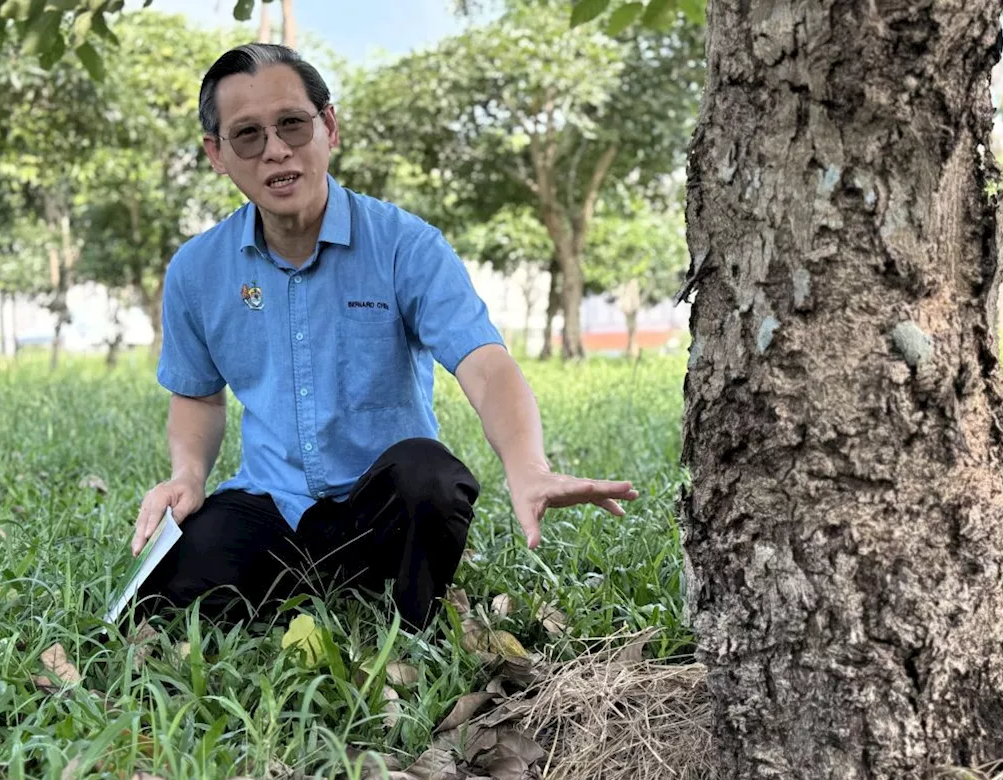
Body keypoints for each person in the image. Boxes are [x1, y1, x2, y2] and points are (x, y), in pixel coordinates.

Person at [130, 43, 637, 630]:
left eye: (293, 124)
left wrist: (528, 466)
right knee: (172, 595)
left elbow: (485, 362)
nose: (276, 150)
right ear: (216, 153)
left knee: (432, 476)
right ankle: (304, 584)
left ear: (329, 125)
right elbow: (197, 394)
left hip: (386, 508)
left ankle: (412, 619)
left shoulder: (405, 245)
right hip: (274, 507)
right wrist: (187, 477)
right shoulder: (197, 270)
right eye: (248, 135)